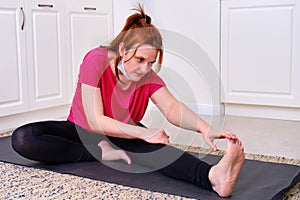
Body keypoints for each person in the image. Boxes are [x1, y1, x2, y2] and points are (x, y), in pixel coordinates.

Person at [11, 4, 244, 197]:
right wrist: (144, 133)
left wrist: (205, 128)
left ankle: (213, 177)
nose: (145, 69)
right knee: (24, 138)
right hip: (81, 130)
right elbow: (95, 121)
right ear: (123, 49)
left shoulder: (147, 76)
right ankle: (100, 153)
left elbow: (172, 107)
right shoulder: (96, 60)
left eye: (151, 62)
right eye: (140, 59)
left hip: (123, 134)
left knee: (159, 152)